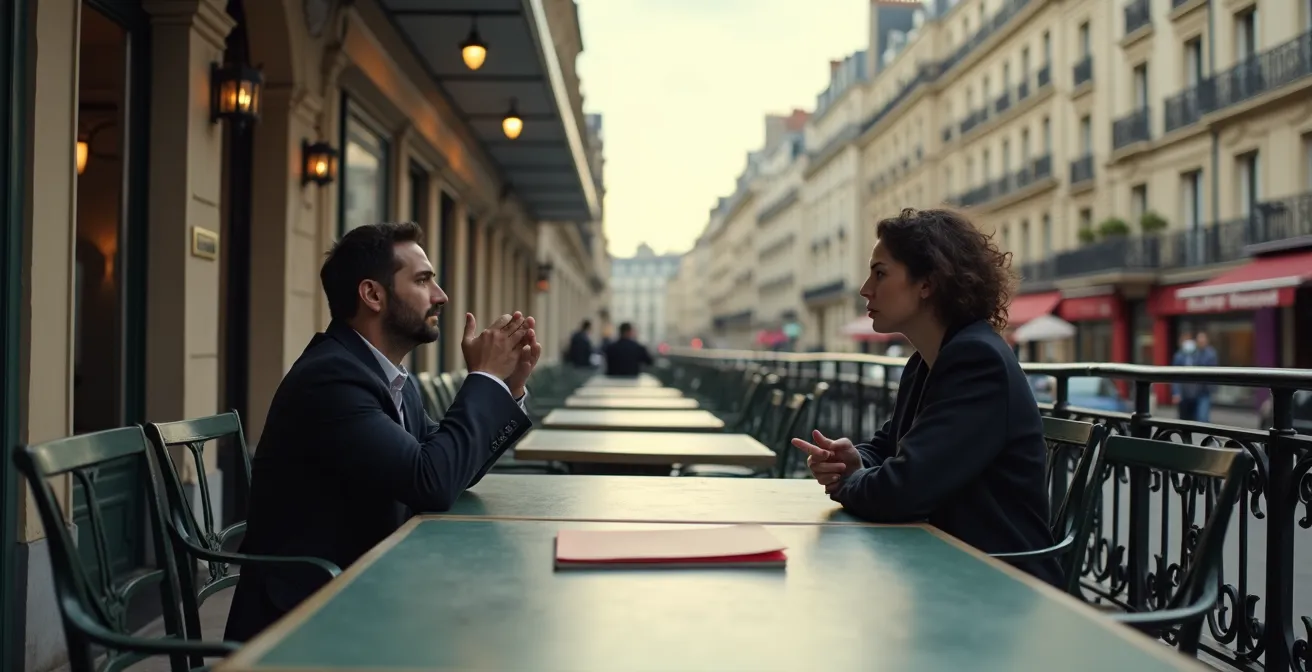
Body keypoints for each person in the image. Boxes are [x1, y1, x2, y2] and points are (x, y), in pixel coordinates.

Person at [224, 222, 541, 642]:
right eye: (424, 280)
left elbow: (449, 468)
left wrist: (506, 387)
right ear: (373, 294)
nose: (441, 295)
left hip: (367, 588)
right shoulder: (331, 378)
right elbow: (432, 481)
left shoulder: (391, 377)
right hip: (306, 617)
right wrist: (483, 380)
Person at [791, 208, 1062, 587]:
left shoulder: (975, 361)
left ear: (927, 283)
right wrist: (850, 460)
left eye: (880, 273)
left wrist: (847, 481)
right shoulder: (927, 359)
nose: (865, 289)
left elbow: (904, 490)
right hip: (949, 569)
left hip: (1000, 585)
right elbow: (889, 448)